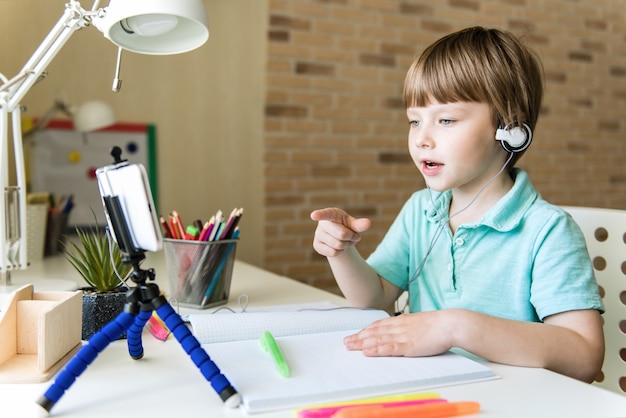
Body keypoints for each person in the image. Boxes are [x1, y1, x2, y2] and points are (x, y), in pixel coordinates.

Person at [310, 26, 604, 383]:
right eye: (414, 121)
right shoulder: (422, 210)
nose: (422, 138)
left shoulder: (548, 230)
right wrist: (341, 254)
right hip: (428, 386)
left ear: (509, 129)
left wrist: (457, 326)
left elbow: (585, 356)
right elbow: (374, 298)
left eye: (446, 120)